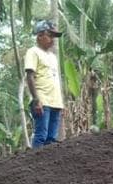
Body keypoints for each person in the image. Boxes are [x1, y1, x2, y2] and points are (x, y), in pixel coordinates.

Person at [24, 20, 64, 148]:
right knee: (41, 135)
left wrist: (61, 103)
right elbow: (29, 76)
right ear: (40, 35)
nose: (53, 39)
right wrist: (36, 99)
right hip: (42, 100)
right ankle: (35, 166)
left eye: (54, 37)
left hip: (55, 102)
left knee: (51, 140)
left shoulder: (53, 56)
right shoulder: (33, 52)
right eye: (50, 35)